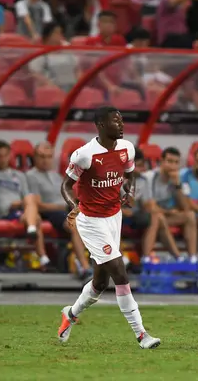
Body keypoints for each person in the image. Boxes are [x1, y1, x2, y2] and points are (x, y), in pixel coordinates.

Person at [58, 106, 161, 349]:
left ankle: (70, 315)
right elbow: (66, 186)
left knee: (100, 284)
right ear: (101, 125)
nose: (121, 125)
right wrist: (73, 206)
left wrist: (129, 192)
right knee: (120, 271)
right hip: (90, 220)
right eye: (116, 122)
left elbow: (130, 175)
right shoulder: (84, 155)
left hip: (114, 217)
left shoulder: (127, 148)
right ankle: (141, 334)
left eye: (122, 120)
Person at [0, 142, 53, 271]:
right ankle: (41, 253)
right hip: (6, 211)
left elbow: (26, 196)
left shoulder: (19, 175)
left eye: (5, 155)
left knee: (31, 202)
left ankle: (33, 232)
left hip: (21, 209)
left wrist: (25, 205)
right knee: (35, 215)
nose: (3, 159)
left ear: (10, 156)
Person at [27, 142, 92, 280]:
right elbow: (37, 204)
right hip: (50, 212)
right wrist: (65, 207)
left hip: (66, 209)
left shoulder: (56, 176)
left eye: (49, 157)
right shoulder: (31, 176)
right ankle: (85, 268)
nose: (45, 160)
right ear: (35, 157)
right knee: (75, 225)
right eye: (42, 156)